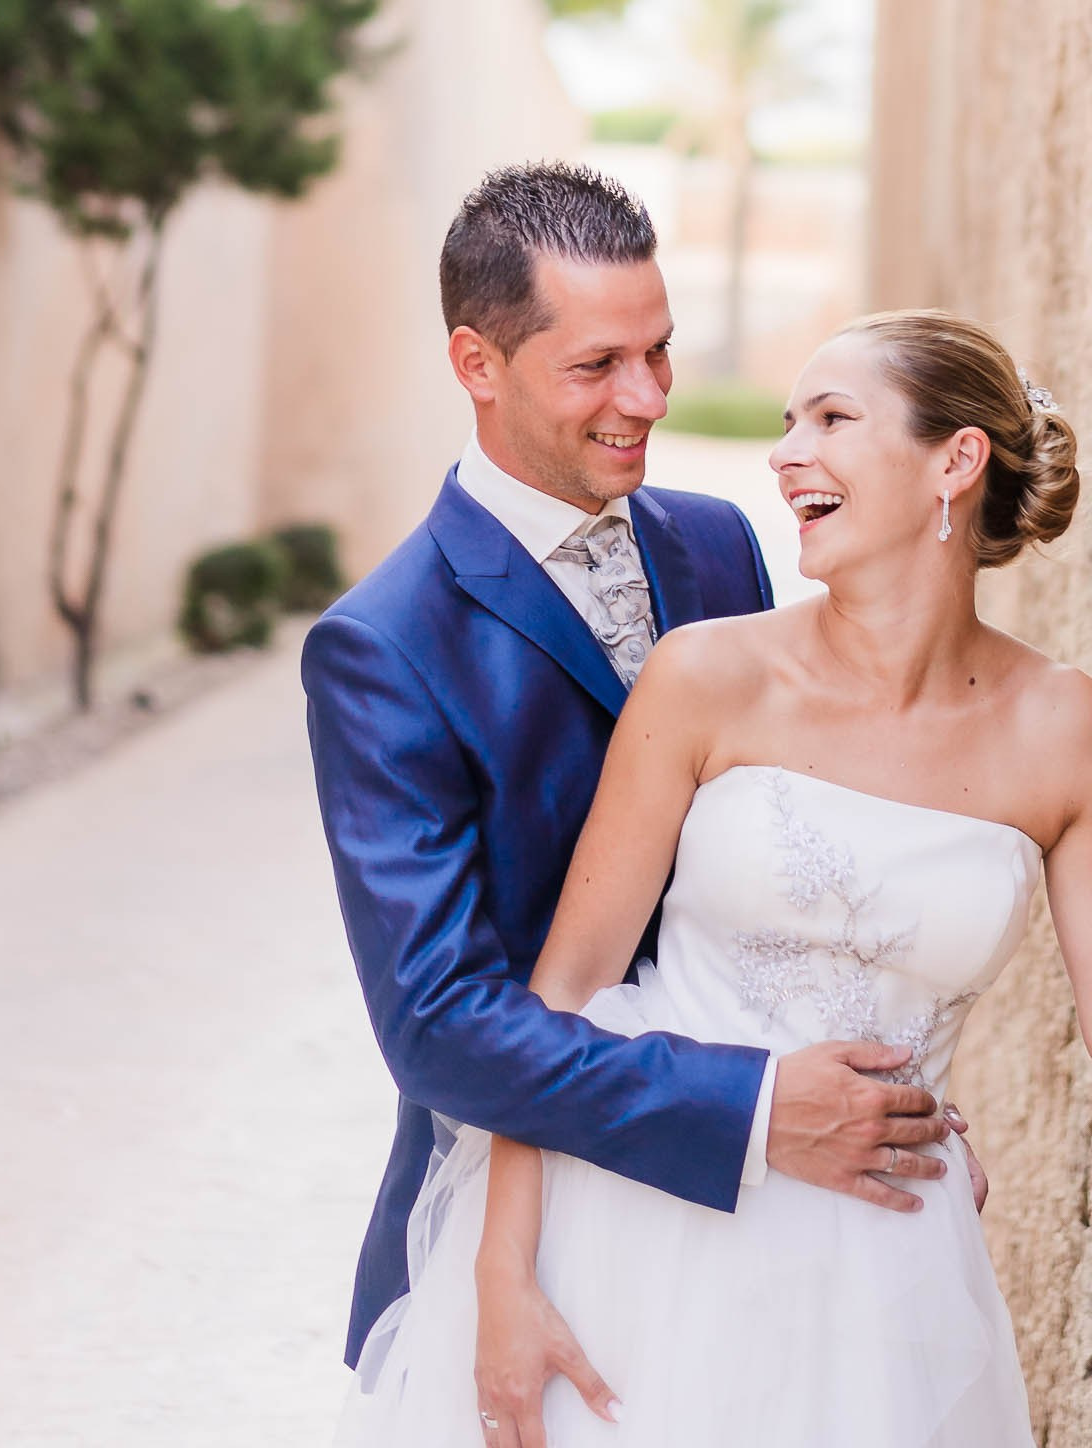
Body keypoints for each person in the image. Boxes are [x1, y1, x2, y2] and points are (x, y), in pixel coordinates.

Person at [343, 302, 1092, 1448]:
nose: (784, 453)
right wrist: (503, 1273)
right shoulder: (706, 677)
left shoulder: (1066, 728)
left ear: (953, 462)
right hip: (632, 1232)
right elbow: (565, 990)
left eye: (830, 419)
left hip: (881, 1279)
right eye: (783, 422)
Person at [304, 165, 958, 1379]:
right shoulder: (382, 648)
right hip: (532, 1217)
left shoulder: (717, 546)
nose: (647, 397)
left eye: (657, 351)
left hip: (797, 1207)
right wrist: (753, 1108)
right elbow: (439, 1027)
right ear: (476, 364)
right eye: (597, 365)